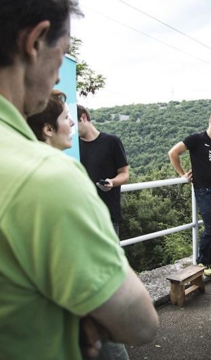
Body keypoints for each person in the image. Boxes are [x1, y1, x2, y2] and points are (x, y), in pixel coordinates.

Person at [0, 1, 158, 360]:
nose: (58, 77)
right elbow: (141, 325)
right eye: (62, 53)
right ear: (36, 41)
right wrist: (78, 314)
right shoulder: (45, 177)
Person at [28, 95, 131, 360]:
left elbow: (125, 173)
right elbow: (143, 323)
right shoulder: (59, 174)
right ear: (48, 129)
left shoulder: (31, 170)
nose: (71, 122)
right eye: (65, 117)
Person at [168, 109, 211, 276]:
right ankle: (202, 261)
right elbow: (173, 153)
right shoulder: (196, 139)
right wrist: (182, 174)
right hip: (204, 190)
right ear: (210, 121)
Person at [77, 105, 130, 236]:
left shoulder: (112, 142)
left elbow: (124, 174)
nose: (70, 126)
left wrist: (111, 182)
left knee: (110, 256)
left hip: (107, 215)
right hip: (81, 217)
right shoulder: (72, 146)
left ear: (83, 117)